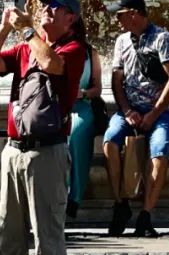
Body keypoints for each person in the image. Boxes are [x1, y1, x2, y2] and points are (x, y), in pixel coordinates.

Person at [0, 0, 86, 255]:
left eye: (55, 6)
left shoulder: (74, 48)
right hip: (14, 150)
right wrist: (4, 28)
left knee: (47, 238)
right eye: (45, 5)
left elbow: (51, 63)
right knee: (9, 236)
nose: (46, 9)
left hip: (47, 151)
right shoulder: (26, 49)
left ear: (69, 18)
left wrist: (27, 30)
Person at [100, 0, 169, 238]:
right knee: (109, 142)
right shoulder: (121, 41)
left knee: (159, 154)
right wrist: (126, 110)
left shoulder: (161, 38)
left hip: (158, 112)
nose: (117, 19)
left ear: (134, 14)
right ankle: (120, 204)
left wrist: (154, 113)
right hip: (129, 111)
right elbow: (116, 82)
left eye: (121, 14)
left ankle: (145, 215)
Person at [65, 33, 103, 221]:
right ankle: (60, 195)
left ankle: (74, 196)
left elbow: (97, 89)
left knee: (76, 133)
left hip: (82, 105)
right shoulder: (51, 48)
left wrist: (84, 93)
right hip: (57, 105)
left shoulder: (90, 52)